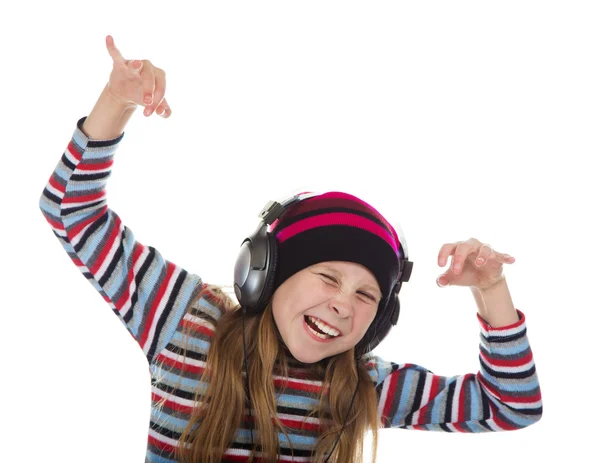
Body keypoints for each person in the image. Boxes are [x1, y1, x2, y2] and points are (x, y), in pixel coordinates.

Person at [38, 35, 543, 463]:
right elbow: (69, 211)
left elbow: (510, 405)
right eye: (328, 277)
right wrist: (116, 101)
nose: (344, 303)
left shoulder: (363, 385)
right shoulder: (184, 321)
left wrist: (491, 290)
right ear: (265, 273)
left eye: (368, 296)